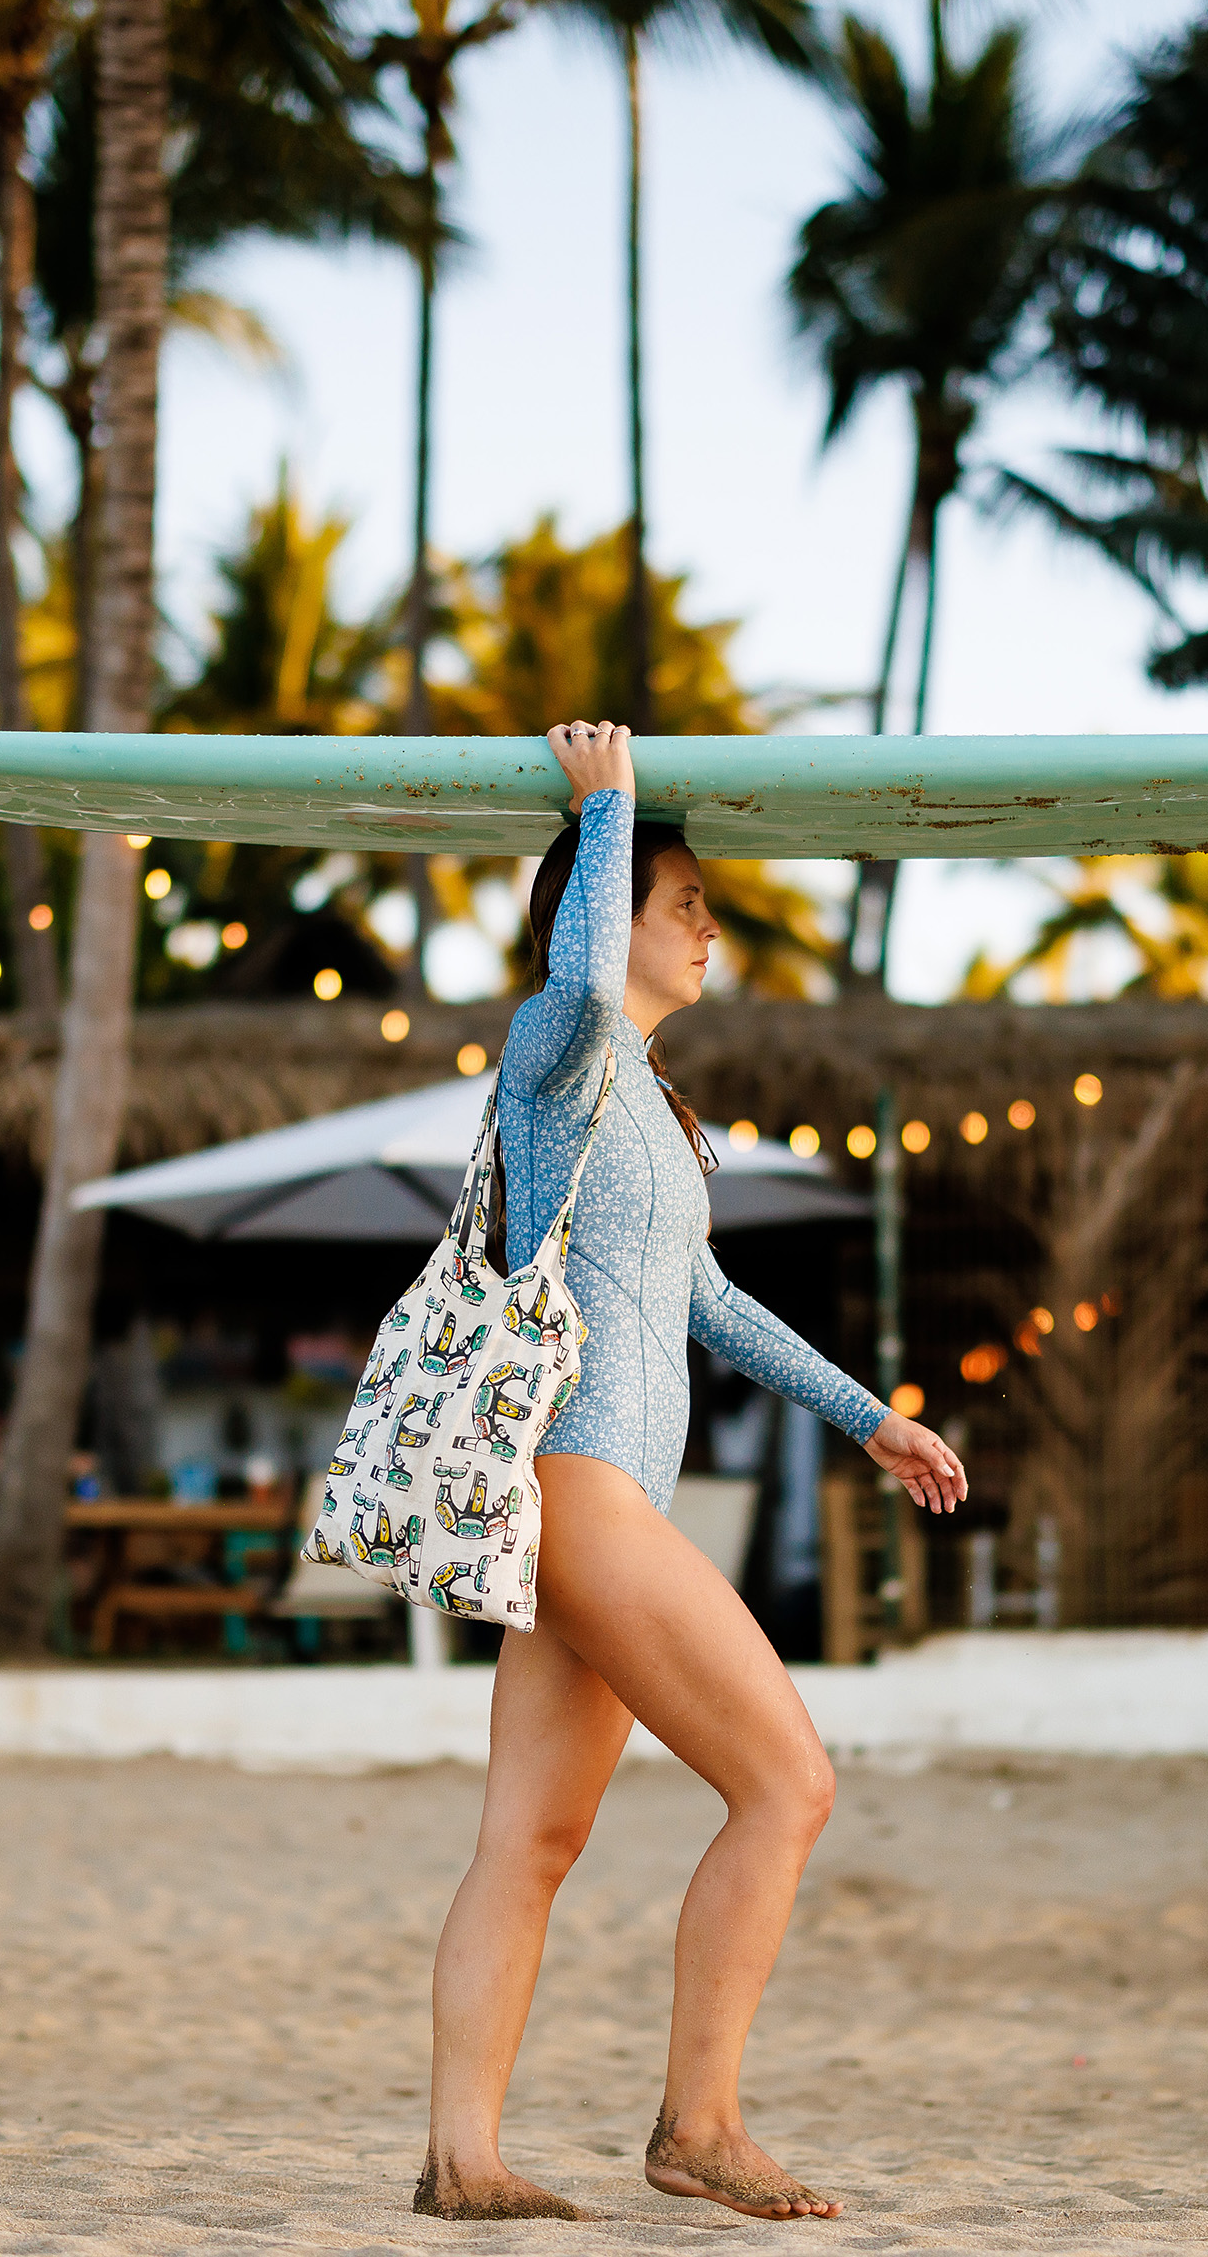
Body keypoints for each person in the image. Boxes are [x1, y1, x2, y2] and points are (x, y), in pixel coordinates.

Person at [415, 723, 966, 2225]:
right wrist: (607, 814)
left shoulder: (652, 1107)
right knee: (789, 1782)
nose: (707, 925)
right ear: (603, 905)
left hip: (594, 1505)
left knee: (529, 1838)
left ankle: (463, 2159)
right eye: (685, 900)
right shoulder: (556, 1047)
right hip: (586, 1486)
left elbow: (707, 1303)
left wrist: (868, 1415)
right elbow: (587, 980)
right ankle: (699, 2121)